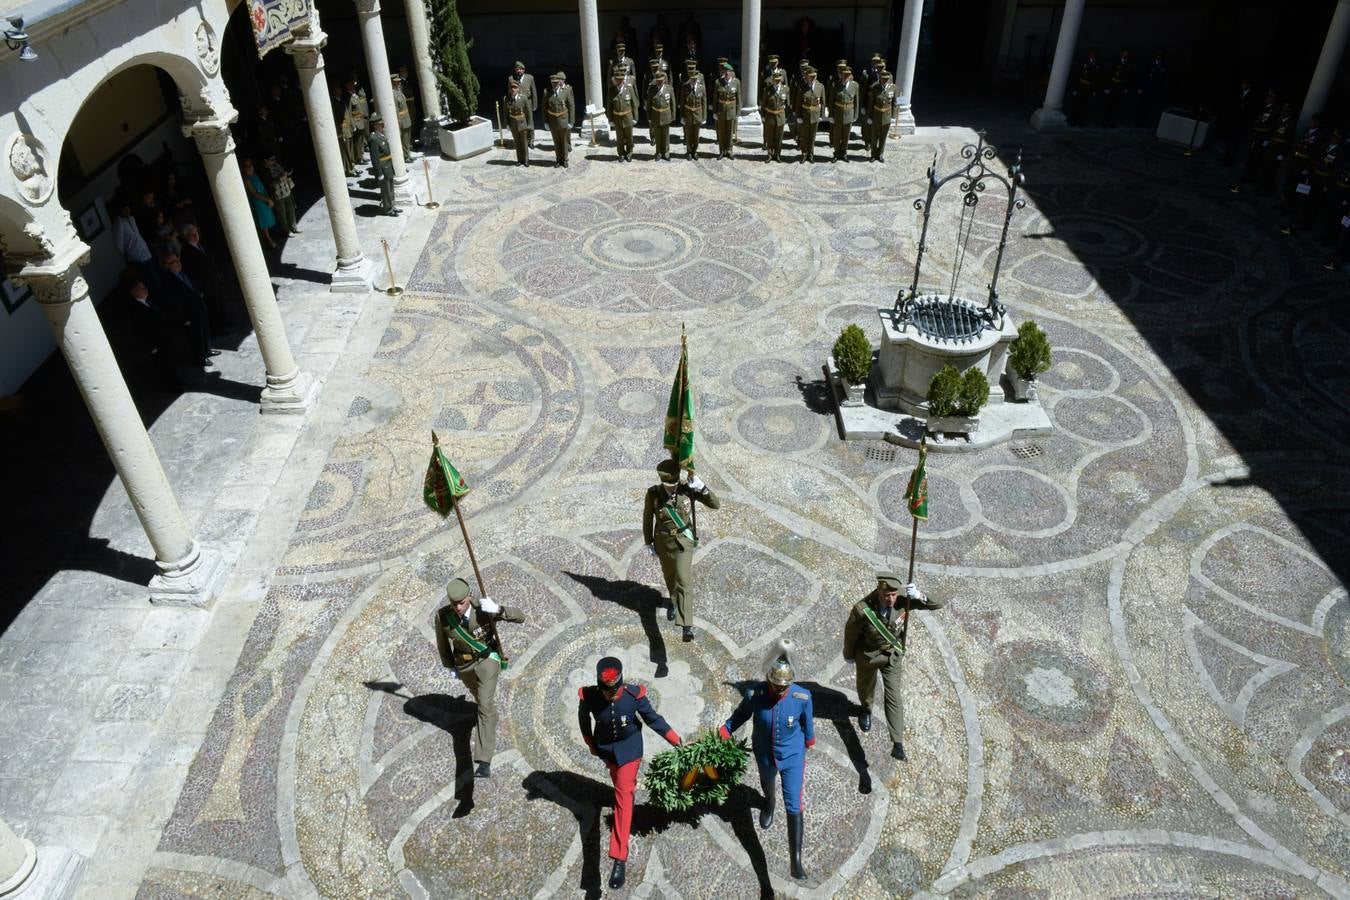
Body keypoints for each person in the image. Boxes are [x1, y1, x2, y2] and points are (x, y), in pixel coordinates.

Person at [578, 656, 681, 890]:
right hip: (608, 751)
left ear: (621, 684)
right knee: (619, 787)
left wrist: (676, 741)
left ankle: (619, 856)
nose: (610, 696)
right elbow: (584, 720)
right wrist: (591, 744)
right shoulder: (590, 696)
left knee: (623, 797)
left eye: (613, 692)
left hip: (630, 752)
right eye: (606, 692)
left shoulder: (634, 696)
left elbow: (654, 720)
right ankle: (623, 794)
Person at [719, 641, 814, 880]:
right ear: (769, 680)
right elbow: (739, 716)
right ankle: (769, 803)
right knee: (768, 785)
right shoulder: (755, 694)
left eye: (784, 687)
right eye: (776, 685)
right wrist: (724, 731)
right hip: (764, 754)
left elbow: (807, 726)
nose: (780, 691)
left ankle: (796, 861)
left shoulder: (803, 697)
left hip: (792, 756)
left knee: (794, 802)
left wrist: (809, 740)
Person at [843, 572, 946, 761]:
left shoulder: (903, 601)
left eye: (893, 595)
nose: (889, 599)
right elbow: (850, 633)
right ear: (878, 592)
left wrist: (919, 595)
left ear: (897, 593)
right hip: (868, 657)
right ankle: (866, 709)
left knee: (894, 696)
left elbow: (937, 604)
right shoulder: (862, 609)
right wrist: (848, 654)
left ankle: (897, 743)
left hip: (892, 656)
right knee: (865, 688)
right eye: (885, 595)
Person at [434, 577, 526, 778]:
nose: (457, 607)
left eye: (461, 602)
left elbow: (521, 617)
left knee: (484, 704)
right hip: (465, 666)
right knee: (482, 700)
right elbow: (443, 644)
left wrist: (499, 609)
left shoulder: (482, 609)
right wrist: (449, 665)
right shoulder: (443, 617)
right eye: (454, 603)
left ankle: (484, 761)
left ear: (469, 596)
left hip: (487, 660)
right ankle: (489, 717)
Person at [642, 459, 720, 641]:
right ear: (662, 482)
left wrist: (702, 487)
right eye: (668, 485)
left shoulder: (688, 489)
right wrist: (649, 542)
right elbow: (647, 518)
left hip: (684, 541)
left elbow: (715, 505)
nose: (672, 488)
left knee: (683, 579)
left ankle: (686, 626)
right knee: (670, 577)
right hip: (664, 542)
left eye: (674, 484)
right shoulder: (653, 494)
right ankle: (674, 602)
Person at [158, 250, 215, 365]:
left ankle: (207, 350)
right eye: (173, 262)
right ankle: (201, 358)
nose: (178, 263)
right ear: (167, 266)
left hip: (198, 307)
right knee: (196, 336)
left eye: (178, 259)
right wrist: (185, 318)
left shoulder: (182, 271)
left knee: (204, 330)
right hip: (190, 313)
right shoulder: (168, 281)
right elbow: (174, 303)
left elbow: (191, 284)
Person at [239, 157, 279, 249]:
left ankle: (270, 237)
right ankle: (268, 240)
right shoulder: (247, 179)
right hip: (258, 202)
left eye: (251, 165)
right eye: (247, 166)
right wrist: (267, 199)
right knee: (263, 221)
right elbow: (254, 193)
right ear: (243, 168)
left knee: (268, 219)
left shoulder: (255, 174)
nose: (249, 167)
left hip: (264, 197)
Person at [366, 114, 400, 215]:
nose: (382, 126)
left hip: (388, 166)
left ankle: (393, 206)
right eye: (380, 124)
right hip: (383, 168)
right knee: (386, 191)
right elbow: (375, 158)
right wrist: (379, 173)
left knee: (391, 189)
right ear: (375, 126)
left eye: (382, 124)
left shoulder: (380, 135)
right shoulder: (374, 138)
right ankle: (388, 209)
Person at [261, 156, 299, 236]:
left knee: (290, 209)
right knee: (282, 214)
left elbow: (284, 173)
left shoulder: (277, 165)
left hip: (286, 190)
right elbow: (270, 184)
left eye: (274, 159)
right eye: (271, 160)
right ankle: (287, 231)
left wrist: (287, 173)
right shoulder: (265, 171)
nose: (274, 161)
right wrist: (281, 178)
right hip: (277, 195)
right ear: (265, 161)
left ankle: (294, 227)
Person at [545, 73, 575, 168]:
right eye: (552, 83)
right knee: (556, 142)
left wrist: (571, 121)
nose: (554, 84)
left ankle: (565, 159)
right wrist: (545, 122)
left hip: (563, 120)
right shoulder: (547, 92)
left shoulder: (565, 92)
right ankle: (558, 159)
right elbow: (544, 108)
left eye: (556, 83)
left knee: (564, 141)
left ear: (559, 82)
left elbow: (571, 106)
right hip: (552, 121)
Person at [609, 71, 639, 162]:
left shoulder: (629, 89)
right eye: (617, 80)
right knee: (620, 137)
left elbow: (634, 105)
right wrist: (610, 119)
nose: (618, 81)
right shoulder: (612, 90)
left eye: (620, 80)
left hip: (628, 117)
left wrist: (635, 118)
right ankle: (621, 153)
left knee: (629, 137)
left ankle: (629, 153)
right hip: (617, 118)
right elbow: (609, 106)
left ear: (623, 80)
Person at [796, 66, 824, 162]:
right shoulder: (802, 87)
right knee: (804, 136)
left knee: (812, 136)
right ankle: (804, 154)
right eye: (810, 76)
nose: (812, 78)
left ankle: (811, 154)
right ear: (806, 77)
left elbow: (823, 103)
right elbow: (798, 103)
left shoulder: (820, 87)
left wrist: (821, 115)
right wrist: (798, 116)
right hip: (805, 115)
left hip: (815, 115)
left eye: (814, 76)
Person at [831, 66, 858, 161]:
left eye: (848, 75)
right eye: (844, 74)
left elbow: (857, 101)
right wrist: (831, 115)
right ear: (841, 75)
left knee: (846, 135)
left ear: (850, 75)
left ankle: (844, 153)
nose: (846, 76)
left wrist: (855, 115)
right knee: (837, 135)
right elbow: (831, 102)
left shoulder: (855, 86)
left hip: (849, 114)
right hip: (838, 113)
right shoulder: (835, 85)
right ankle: (836, 153)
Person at [647, 69, 675, 160]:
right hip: (655, 116)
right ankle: (658, 153)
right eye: (658, 81)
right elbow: (649, 105)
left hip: (666, 115)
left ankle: (666, 153)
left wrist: (673, 116)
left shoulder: (669, 89)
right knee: (658, 136)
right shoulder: (652, 90)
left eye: (661, 81)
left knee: (666, 136)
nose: (659, 82)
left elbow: (673, 103)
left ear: (664, 80)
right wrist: (649, 117)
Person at [761, 71, 789, 162]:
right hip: (770, 116)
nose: (777, 82)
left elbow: (788, 104)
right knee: (770, 136)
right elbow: (763, 104)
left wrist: (786, 116)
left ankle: (777, 155)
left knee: (779, 137)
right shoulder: (768, 90)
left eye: (779, 80)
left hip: (780, 116)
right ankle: (770, 154)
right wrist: (763, 116)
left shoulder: (786, 89)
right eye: (775, 80)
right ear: (772, 80)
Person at [713, 62, 740, 159]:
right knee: (721, 132)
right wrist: (714, 112)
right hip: (721, 111)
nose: (727, 73)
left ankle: (729, 150)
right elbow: (715, 98)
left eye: (729, 71)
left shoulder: (736, 82)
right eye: (725, 71)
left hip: (731, 111)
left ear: (731, 72)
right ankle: (721, 150)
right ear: (723, 72)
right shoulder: (718, 82)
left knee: (729, 132)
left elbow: (738, 98)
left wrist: (738, 112)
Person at [868, 71, 897, 162]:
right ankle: (873, 154)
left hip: (887, 116)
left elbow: (894, 103)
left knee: (883, 137)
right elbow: (871, 103)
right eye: (883, 79)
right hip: (876, 115)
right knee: (874, 136)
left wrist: (893, 116)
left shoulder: (893, 88)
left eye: (886, 79)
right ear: (880, 79)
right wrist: (869, 116)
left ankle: (880, 154)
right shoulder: (875, 88)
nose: (884, 81)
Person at [680, 61, 706, 159]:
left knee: (696, 136)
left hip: (698, 114)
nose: (694, 80)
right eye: (692, 79)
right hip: (688, 115)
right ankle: (689, 151)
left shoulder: (701, 88)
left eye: (695, 79)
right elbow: (682, 103)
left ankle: (695, 151)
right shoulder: (685, 87)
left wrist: (704, 117)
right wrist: (682, 116)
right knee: (688, 135)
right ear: (690, 78)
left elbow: (704, 102)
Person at [511, 61, 539, 147]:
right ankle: (524, 139)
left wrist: (535, 105)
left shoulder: (529, 78)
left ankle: (531, 140)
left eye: (520, 69)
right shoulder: (512, 79)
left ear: (523, 70)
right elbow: (510, 92)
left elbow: (534, 91)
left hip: (528, 104)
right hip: (518, 105)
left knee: (530, 121)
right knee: (521, 122)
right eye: (517, 69)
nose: (518, 71)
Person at [392, 73, 414, 158]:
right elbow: (396, 110)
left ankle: (407, 153)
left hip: (407, 118)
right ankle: (406, 156)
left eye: (399, 82)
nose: (399, 83)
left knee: (407, 139)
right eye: (397, 82)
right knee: (404, 140)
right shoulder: (393, 94)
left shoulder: (399, 92)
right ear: (393, 83)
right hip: (402, 120)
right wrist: (399, 122)